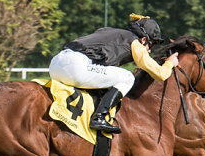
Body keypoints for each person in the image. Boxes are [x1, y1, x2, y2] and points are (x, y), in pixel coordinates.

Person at [49, 14, 179, 134]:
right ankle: (99, 117)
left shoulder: (108, 31)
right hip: (75, 66)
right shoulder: (134, 42)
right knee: (127, 77)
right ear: (144, 39)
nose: (149, 51)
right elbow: (160, 75)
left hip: (56, 64)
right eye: (151, 45)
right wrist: (170, 63)